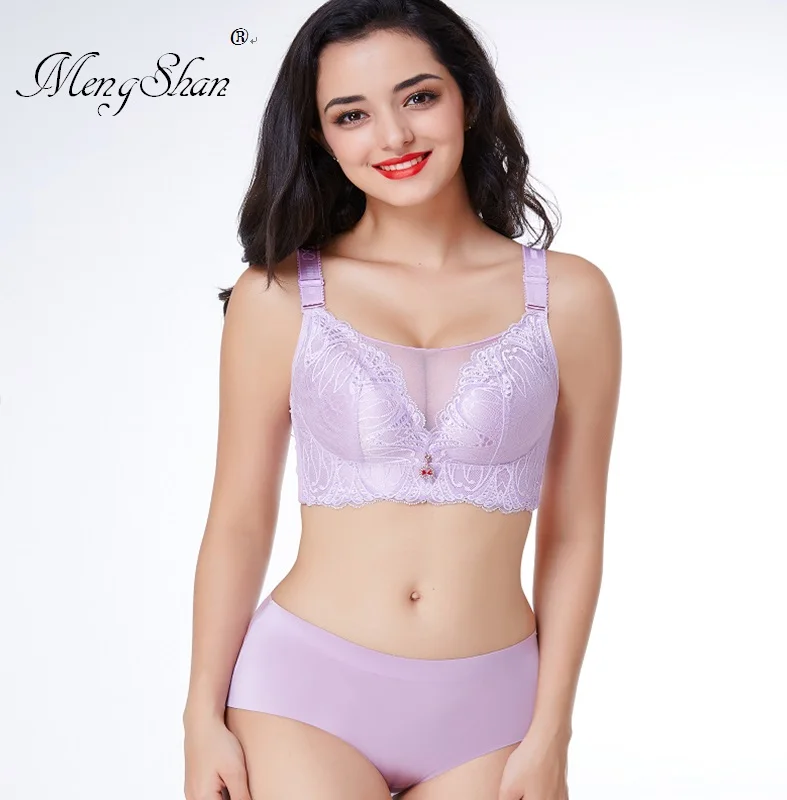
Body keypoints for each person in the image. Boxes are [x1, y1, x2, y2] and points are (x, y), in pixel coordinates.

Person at [183, 0, 621, 798]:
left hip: (494, 710)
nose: (393, 136)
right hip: (301, 696)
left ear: (468, 98)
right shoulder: (277, 295)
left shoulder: (571, 297)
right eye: (351, 114)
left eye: (418, 97)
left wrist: (553, 728)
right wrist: (199, 717)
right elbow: (240, 517)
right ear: (321, 136)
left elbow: (575, 531)